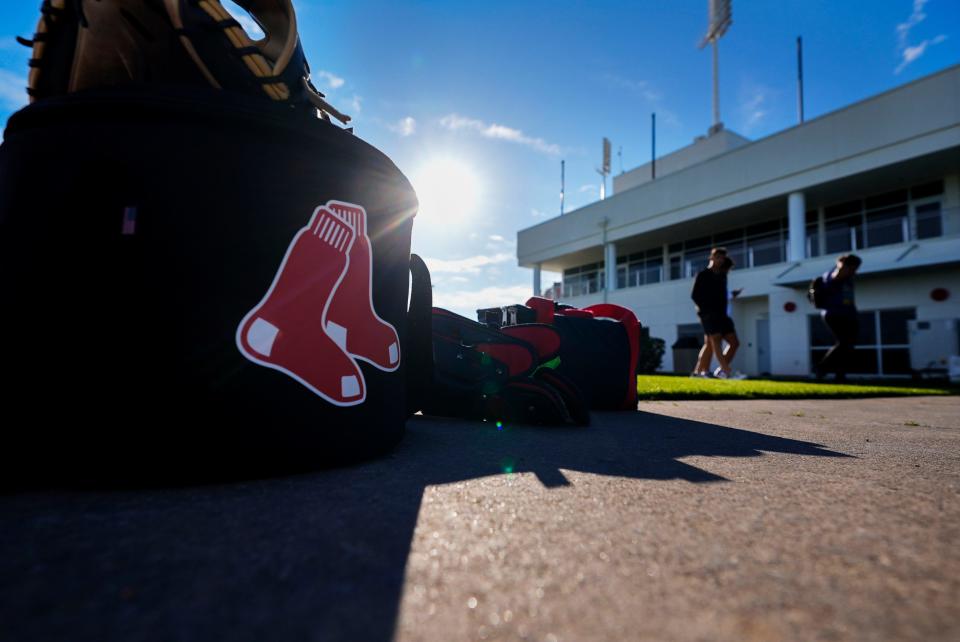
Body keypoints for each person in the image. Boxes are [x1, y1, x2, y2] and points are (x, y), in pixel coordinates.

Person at [691, 250, 744, 379]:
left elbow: (719, 296)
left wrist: (731, 294)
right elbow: (695, 295)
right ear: (712, 257)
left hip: (723, 315)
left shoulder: (722, 276)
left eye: (722, 258)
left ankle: (700, 372)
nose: (720, 260)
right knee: (715, 339)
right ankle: (727, 372)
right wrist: (706, 312)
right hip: (708, 315)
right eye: (718, 257)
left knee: (733, 342)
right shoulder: (703, 275)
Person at [816, 254, 862, 382]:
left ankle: (840, 375)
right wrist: (842, 266)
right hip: (834, 314)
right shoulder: (835, 274)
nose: (855, 271)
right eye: (854, 268)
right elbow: (837, 275)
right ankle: (822, 367)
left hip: (848, 313)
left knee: (848, 345)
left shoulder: (847, 276)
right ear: (847, 266)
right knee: (844, 342)